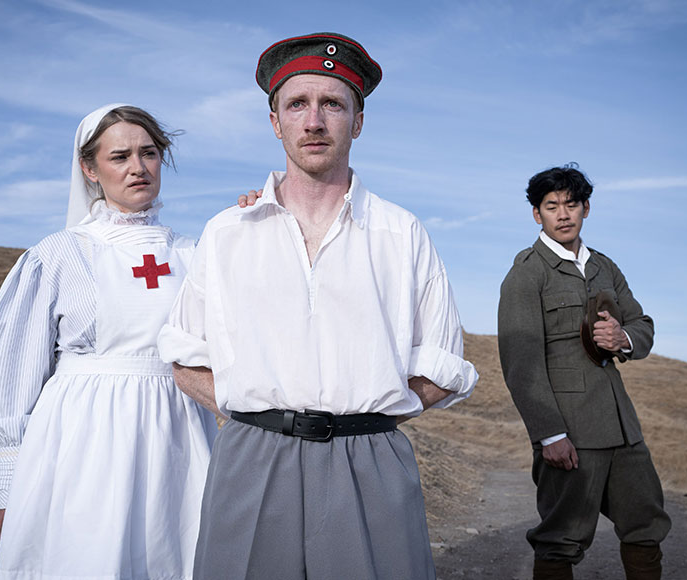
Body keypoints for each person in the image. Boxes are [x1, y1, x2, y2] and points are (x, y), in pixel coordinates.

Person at [157, 32, 478, 580]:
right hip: (252, 458)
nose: (314, 121)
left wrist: (371, 414)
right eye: (297, 104)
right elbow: (183, 353)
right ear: (275, 121)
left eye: (332, 104)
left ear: (357, 121)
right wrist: (246, 409)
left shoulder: (400, 233)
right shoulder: (228, 231)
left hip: (369, 460)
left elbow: (445, 364)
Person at [0, 104, 255, 579]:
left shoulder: (196, 254)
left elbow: (249, 329)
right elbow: (12, 383)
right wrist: (8, 492)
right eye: (120, 156)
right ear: (89, 169)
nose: (138, 167)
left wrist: (261, 230)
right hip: (82, 444)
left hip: (178, 443)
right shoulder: (55, 256)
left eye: (150, 153)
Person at [497, 164, 671, 580]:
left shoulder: (604, 267)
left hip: (622, 427)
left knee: (646, 526)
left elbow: (642, 325)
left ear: (586, 209)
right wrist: (549, 434)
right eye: (551, 206)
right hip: (570, 431)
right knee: (562, 537)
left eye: (571, 205)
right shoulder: (526, 273)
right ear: (536, 214)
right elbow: (520, 363)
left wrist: (623, 338)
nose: (562, 214)